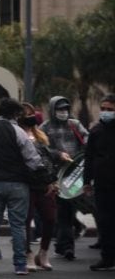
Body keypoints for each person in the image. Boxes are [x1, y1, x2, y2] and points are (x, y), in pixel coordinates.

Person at [0, 98, 53, 276]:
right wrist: (45, 180)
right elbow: (33, 160)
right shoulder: (19, 132)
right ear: (15, 114)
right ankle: (20, 265)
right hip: (18, 184)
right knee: (18, 225)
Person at [40, 96, 88, 261]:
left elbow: (87, 139)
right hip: (56, 175)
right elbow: (40, 148)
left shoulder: (74, 124)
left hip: (75, 174)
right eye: (60, 109)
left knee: (66, 212)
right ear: (53, 110)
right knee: (62, 212)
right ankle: (65, 245)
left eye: (66, 109)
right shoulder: (45, 127)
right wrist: (58, 154)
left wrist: (81, 157)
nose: (63, 112)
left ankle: (65, 246)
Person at [18, 102, 64, 271]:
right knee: (25, 221)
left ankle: (43, 253)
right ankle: (28, 254)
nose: (30, 116)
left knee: (50, 218)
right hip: (26, 184)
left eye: (31, 113)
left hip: (45, 184)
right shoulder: (17, 134)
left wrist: (53, 180)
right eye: (26, 113)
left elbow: (47, 159)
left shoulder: (40, 135)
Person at [83, 93, 115, 271]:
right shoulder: (96, 131)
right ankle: (107, 258)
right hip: (102, 185)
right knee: (104, 222)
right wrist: (86, 181)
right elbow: (88, 158)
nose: (105, 112)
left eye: (109, 110)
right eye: (103, 109)